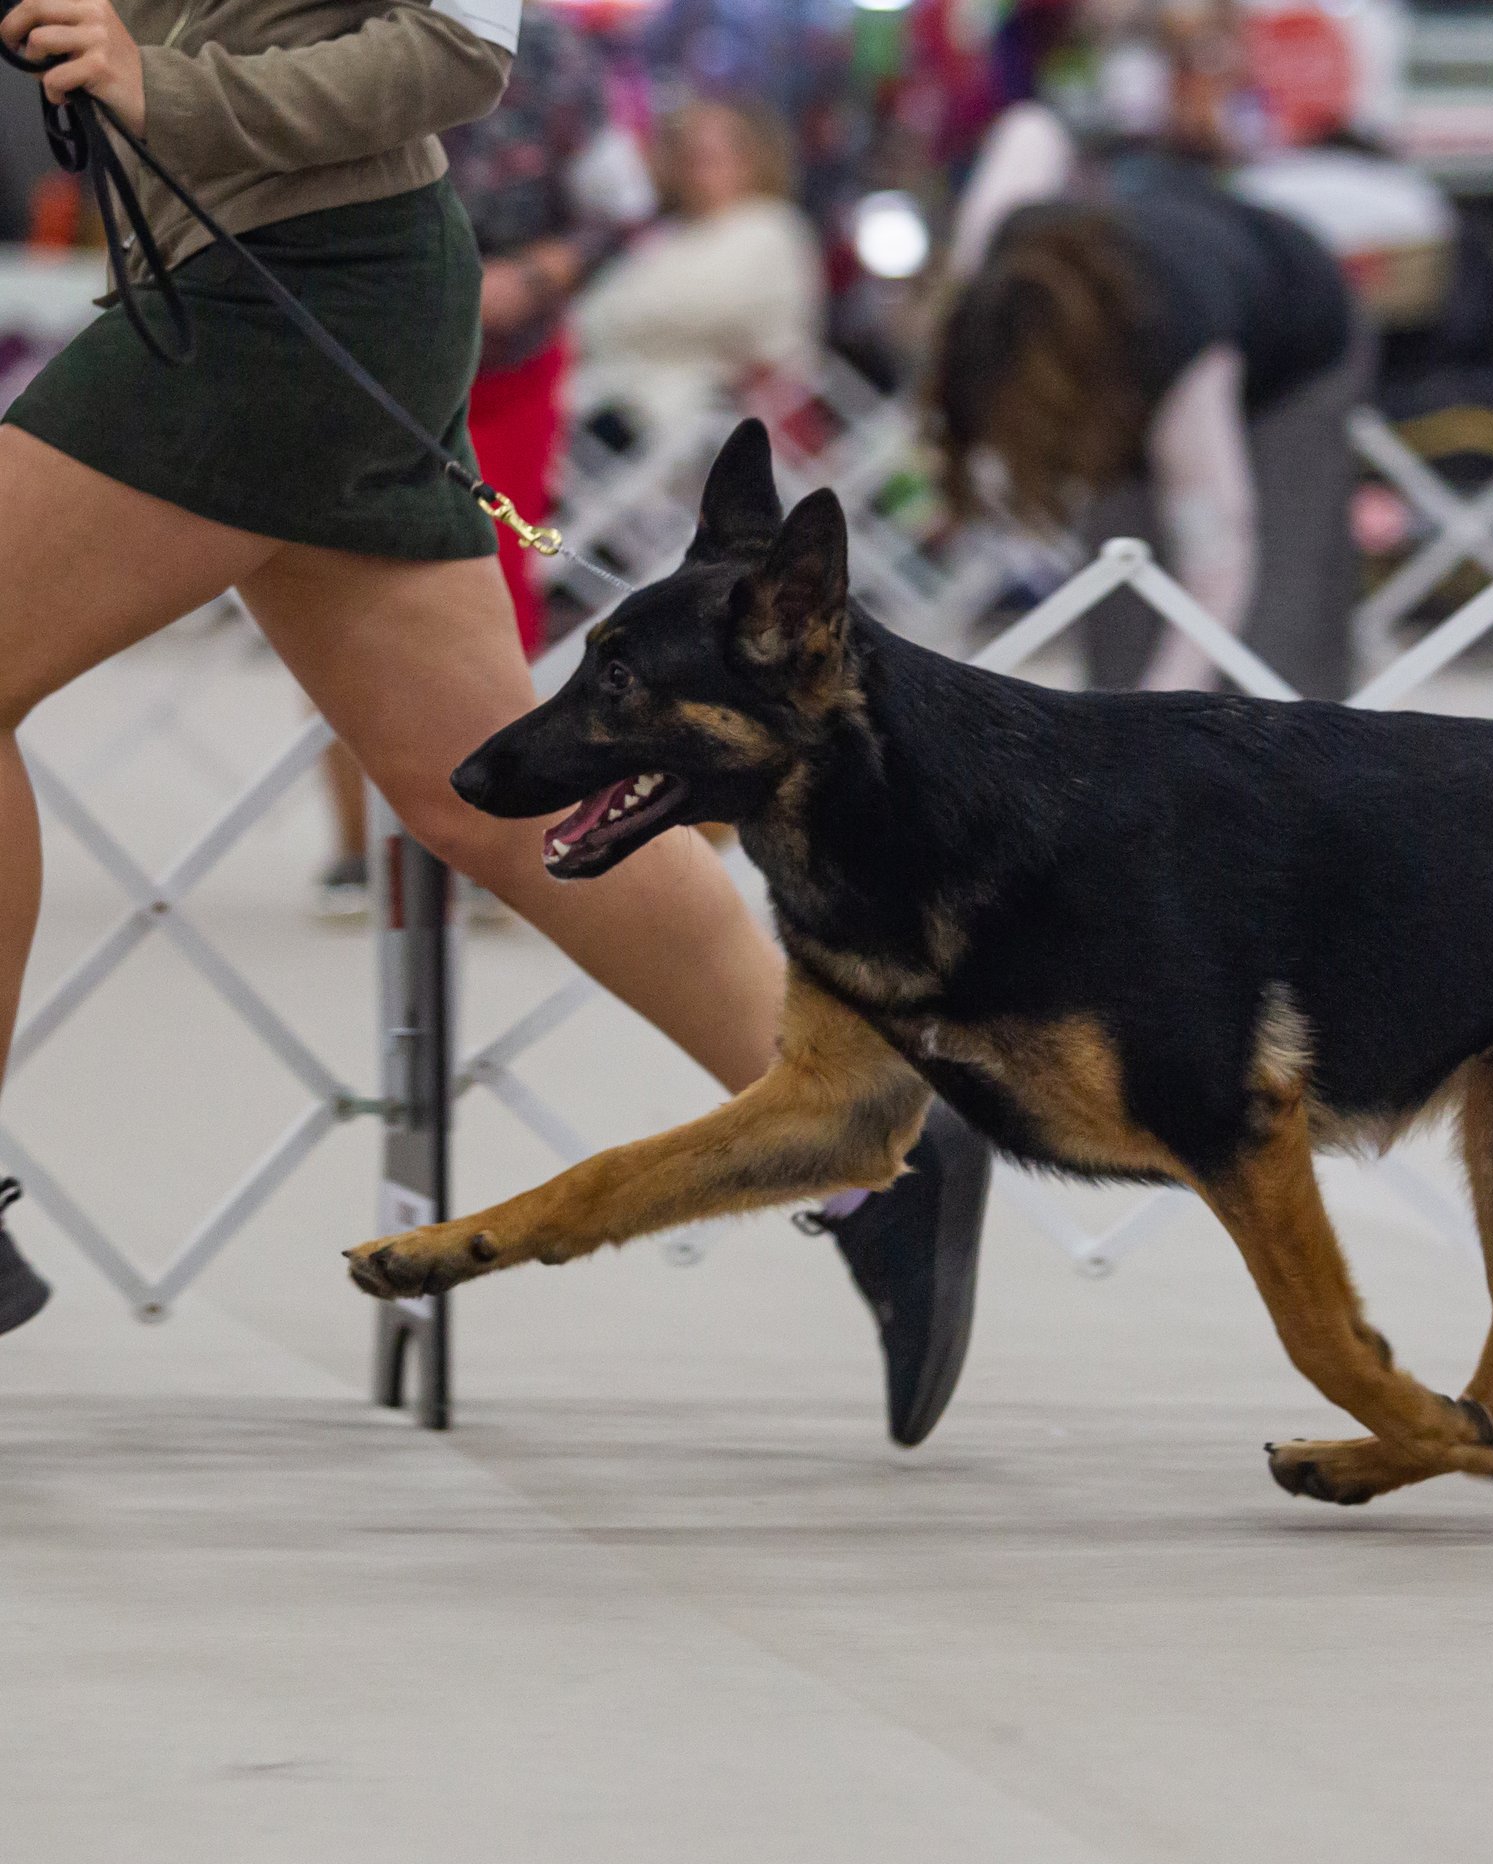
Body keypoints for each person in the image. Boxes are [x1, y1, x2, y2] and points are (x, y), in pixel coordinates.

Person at [0, 0, 988, 1454]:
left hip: (290, 294)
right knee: (485, 792)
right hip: (266, 280)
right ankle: (867, 1145)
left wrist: (176, 91)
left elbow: (464, 45)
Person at [316, 0, 651, 920]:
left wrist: (537, 275)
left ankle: (509, 844)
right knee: (342, 584)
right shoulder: (341, 28)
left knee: (501, 593)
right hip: (359, 355)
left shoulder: (557, 57)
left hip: (508, 366)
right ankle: (361, 851)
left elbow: (621, 210)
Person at [929, 134, 1364, 697]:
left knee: (1279, 610)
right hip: (1176, 300)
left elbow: (1219, 565)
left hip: (1300, 340)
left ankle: (1294, 763)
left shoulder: (1181, 362)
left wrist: (1160, 713)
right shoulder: (990, 281)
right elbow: (1032, 129)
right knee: (1120, 575)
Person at [569, 95, 822, 405]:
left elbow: (703, 307)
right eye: (688, 155)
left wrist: (593, 328)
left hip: (708, 412)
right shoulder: (665, 232)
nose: (696, 168)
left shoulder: (772, 226)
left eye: (710, 156)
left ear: (751, 161)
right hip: (615, 390)